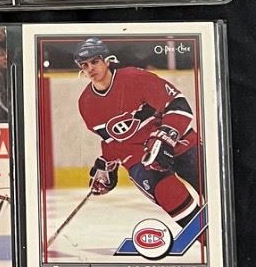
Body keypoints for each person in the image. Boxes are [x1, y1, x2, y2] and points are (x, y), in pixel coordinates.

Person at [72, 36, 204, 232]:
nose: (90, 68)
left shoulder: (135, 78)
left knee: (215, 186)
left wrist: (164, 138)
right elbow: (113, 141)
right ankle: (207, 237)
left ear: (107, 60)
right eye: (84, 65)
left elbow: (179, 105)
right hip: (139, 158)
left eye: (95, 61)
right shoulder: (86, 103)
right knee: (168, 193)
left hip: (178, 142)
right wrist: (107, 164)